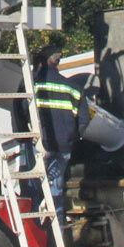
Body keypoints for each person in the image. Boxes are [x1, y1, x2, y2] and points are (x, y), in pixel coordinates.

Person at [30, 47, 83, 229]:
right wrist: (72, 137)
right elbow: (83, 121)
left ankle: (37, 237)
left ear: (41, 62)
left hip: (40, 146)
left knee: (34, 194)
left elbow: (21, 112)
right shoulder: (72, 88)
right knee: (55, 192)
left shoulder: (31, 86)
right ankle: (57, 237)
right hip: (63, 148)